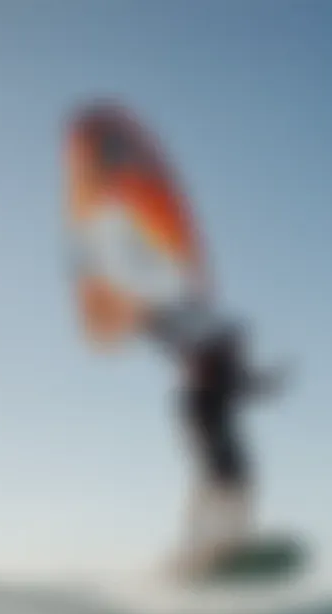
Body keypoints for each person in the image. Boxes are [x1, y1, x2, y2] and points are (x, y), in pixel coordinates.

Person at [68, 115, 288, 577]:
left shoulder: (229, 362)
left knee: (238, 477)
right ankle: (198, 552)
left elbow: (246, 388)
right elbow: (163, 330)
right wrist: (135, 310)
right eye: (237, 339)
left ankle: (217, 549)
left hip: (207, 409)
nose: (240, 342)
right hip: (197, 408)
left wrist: (270, 383)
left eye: (240, 340)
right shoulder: (199, 339)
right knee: (221, 477)